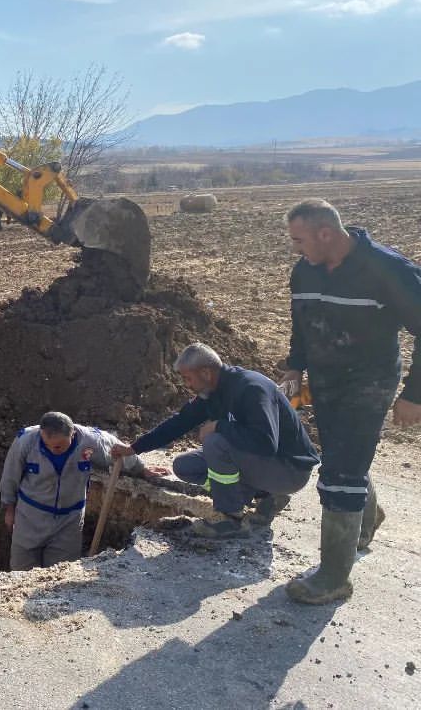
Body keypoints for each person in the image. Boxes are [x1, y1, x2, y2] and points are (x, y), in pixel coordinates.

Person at [280, 199, 421, 604]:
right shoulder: (305, 270)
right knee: (343, 457)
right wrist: (295, 368)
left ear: (326, 234)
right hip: (326, 379)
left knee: (341, 471)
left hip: (369, 380)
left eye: (299, 239)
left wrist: (414, 395)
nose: (295, 248)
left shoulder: (387, 269)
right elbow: (301, 321)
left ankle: (333, 578)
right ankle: (364, 519)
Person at [111, 343, 320, 539]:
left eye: (188, 378)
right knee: (184, 466)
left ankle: (231, 519)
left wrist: (219, 426)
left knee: (215, 442)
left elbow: (265, 442)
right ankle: (266, 496)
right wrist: (134, 448)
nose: (187, 385)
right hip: (263, 463)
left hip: (289, 470)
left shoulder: (251, 389)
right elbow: (179, 423)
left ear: (206, 372)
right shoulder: (212, 392)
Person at [0, 411, 164, 570]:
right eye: (47, 445)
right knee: (20, 572)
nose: (52, 450)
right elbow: (10, 475)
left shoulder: (91, 441)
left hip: (69, 521)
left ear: (72, 435)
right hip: (30, 516)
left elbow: (119, 450)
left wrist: (142, 469)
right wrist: (9, 508)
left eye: (58, 447)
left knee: (59, 575)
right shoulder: (26, 441)